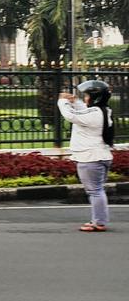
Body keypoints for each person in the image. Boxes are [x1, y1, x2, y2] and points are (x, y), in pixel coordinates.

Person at [58, 80, 115, 232]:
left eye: (87, 95)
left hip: (90, 158)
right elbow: (83, 110)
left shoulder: (94, 114)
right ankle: (98, 220)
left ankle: (98, 222)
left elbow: (70, 116)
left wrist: (62, 101)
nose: (85, 98)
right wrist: (74, 100)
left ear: (95, 97)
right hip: (99, 155)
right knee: (97, 190)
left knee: (95, 191)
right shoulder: (103, 110)